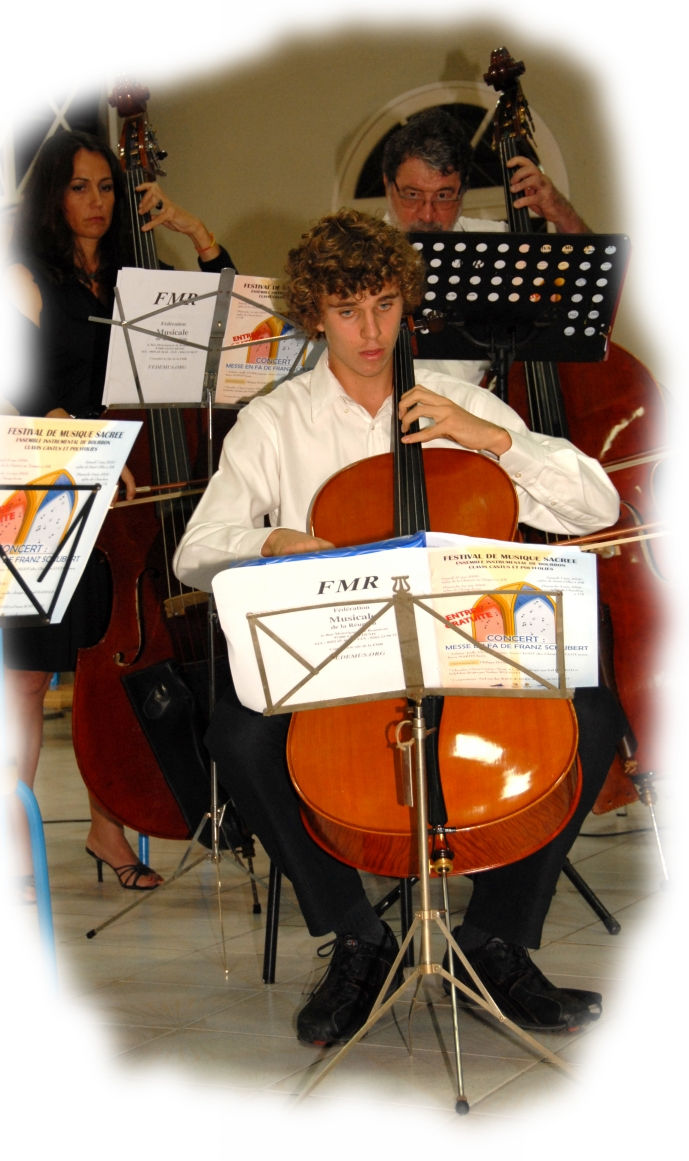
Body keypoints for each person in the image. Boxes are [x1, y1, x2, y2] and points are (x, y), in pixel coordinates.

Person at [173, 208, 625, 1047]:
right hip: (343, 655)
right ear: (315, 315)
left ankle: (495, 940)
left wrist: (490, 439)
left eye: (384, 304)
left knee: (591, 713)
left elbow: (594, 504)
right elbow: (196, 549)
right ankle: (357, 937)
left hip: (467, 642)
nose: (371, 331)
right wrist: (272, 541)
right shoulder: (274, 420)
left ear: (406, 301)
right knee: (237, 735)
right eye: (347, 311)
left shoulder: (459, 401)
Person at [3, 128, 236, 893]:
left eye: (107, 186)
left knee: (111, 670)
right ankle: (10, 841)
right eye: (80, 187)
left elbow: (230, 331)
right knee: (28, 679)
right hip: (51, 485)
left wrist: (198, 236)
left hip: (129, 504)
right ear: (52, 195)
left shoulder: (143, 279)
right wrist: (69, 427)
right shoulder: (24, 278)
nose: (96, 202)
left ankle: (109, 829)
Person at [381, 107, 591, 385]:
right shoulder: (353, 256)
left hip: (483, 407)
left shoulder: (497, 244)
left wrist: (562, 213)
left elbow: (585, 280)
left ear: (463, 191)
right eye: (412, 195)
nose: (427, 215)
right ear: (388, 184)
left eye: (443, 196)